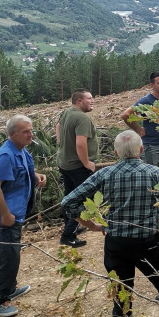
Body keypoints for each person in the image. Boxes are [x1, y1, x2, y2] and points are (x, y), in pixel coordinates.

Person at [61, 130, 159, 317]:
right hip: (148, 242)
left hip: (117, 244)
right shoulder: (153, 173)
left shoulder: (106, 174)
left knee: (122, 294)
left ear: (115, 153)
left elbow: (68, 201)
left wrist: (90, 224)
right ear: (141, 150)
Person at [0, 115, 47, 317]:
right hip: (5, 218)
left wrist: (36, 176)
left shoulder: (22, 151)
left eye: (31, 130)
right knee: (7, 258)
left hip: (15, 215)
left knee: (13, 255)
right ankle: (0, 301)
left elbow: (23, 173)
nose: (31, 134)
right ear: (12, 134)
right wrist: (5, 215)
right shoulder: (6, 155)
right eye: (25, 132)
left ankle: (10, 289)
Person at [55, 89, 95, 248]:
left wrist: (61, 144)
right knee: (85, 200)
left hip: (65, 163)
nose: (92, 101)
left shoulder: (68, 112)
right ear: (79, 101)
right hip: (78, 166)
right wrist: (86, 163)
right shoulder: (81, 117)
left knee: (68, 198)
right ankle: (68, 235)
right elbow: (80, 143)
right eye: (89, 98)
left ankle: (72, 228)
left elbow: (58, 126)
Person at [120, 71, 159, 166]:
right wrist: (139, 129)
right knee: (153, 174)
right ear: (152, 85)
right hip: (152, 145)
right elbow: (125, 115)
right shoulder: (146, 100)